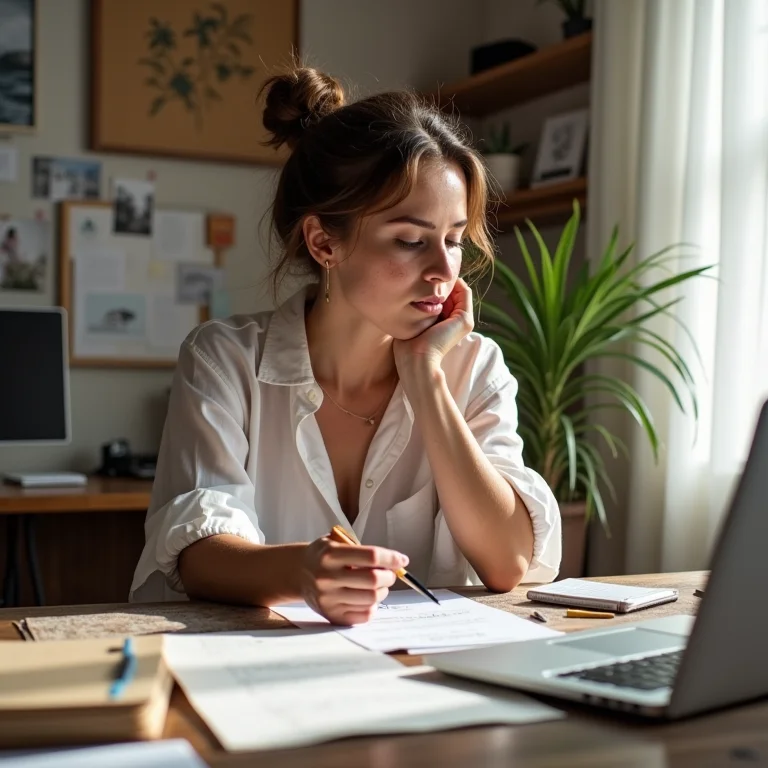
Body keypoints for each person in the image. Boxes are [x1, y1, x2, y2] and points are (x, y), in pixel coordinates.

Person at [130, 67, 562, 624]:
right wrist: (303, 572)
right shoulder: (225, 359)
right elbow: (195, 551)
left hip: (418, 677)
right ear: (323, 241)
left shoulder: (473, 367)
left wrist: (426, 376)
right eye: (410, 240)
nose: (442, 271)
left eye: (453, 240)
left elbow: (508, 562)